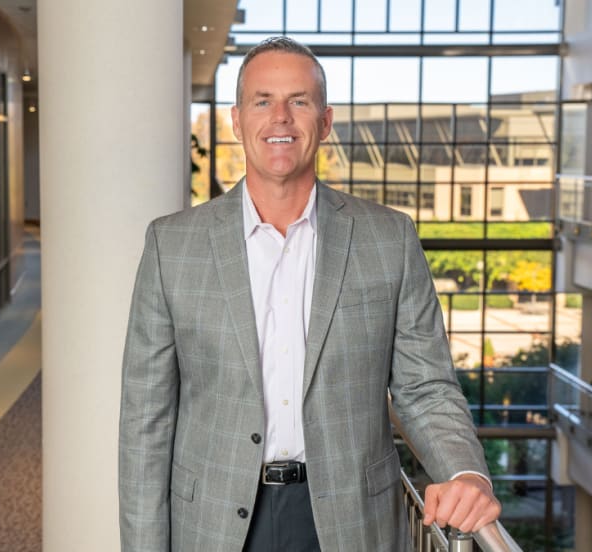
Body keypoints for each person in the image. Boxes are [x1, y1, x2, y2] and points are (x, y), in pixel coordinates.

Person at [119, 36, 500, 551]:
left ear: (324, 121)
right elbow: (147, 422)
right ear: (236, 120)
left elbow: (425, 387)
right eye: (263, 101)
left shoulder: (389, 238)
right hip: (212, 522)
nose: (280, 117)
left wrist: (467, 474)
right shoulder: (172, 245)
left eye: (299, 101)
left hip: (350, 522)